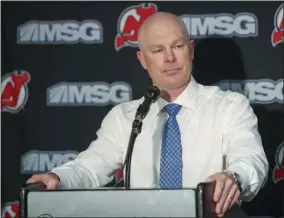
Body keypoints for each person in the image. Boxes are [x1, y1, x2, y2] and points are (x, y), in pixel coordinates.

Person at [27, 12, 269, 217]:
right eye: (157, 50)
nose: (170, 58)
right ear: (143, 59)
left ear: (191, 50)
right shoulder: (126, 117)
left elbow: (250, 160)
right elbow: (89, 168)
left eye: (177, 46)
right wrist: (57, 177)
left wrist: (233, 177)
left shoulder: (230, 106)